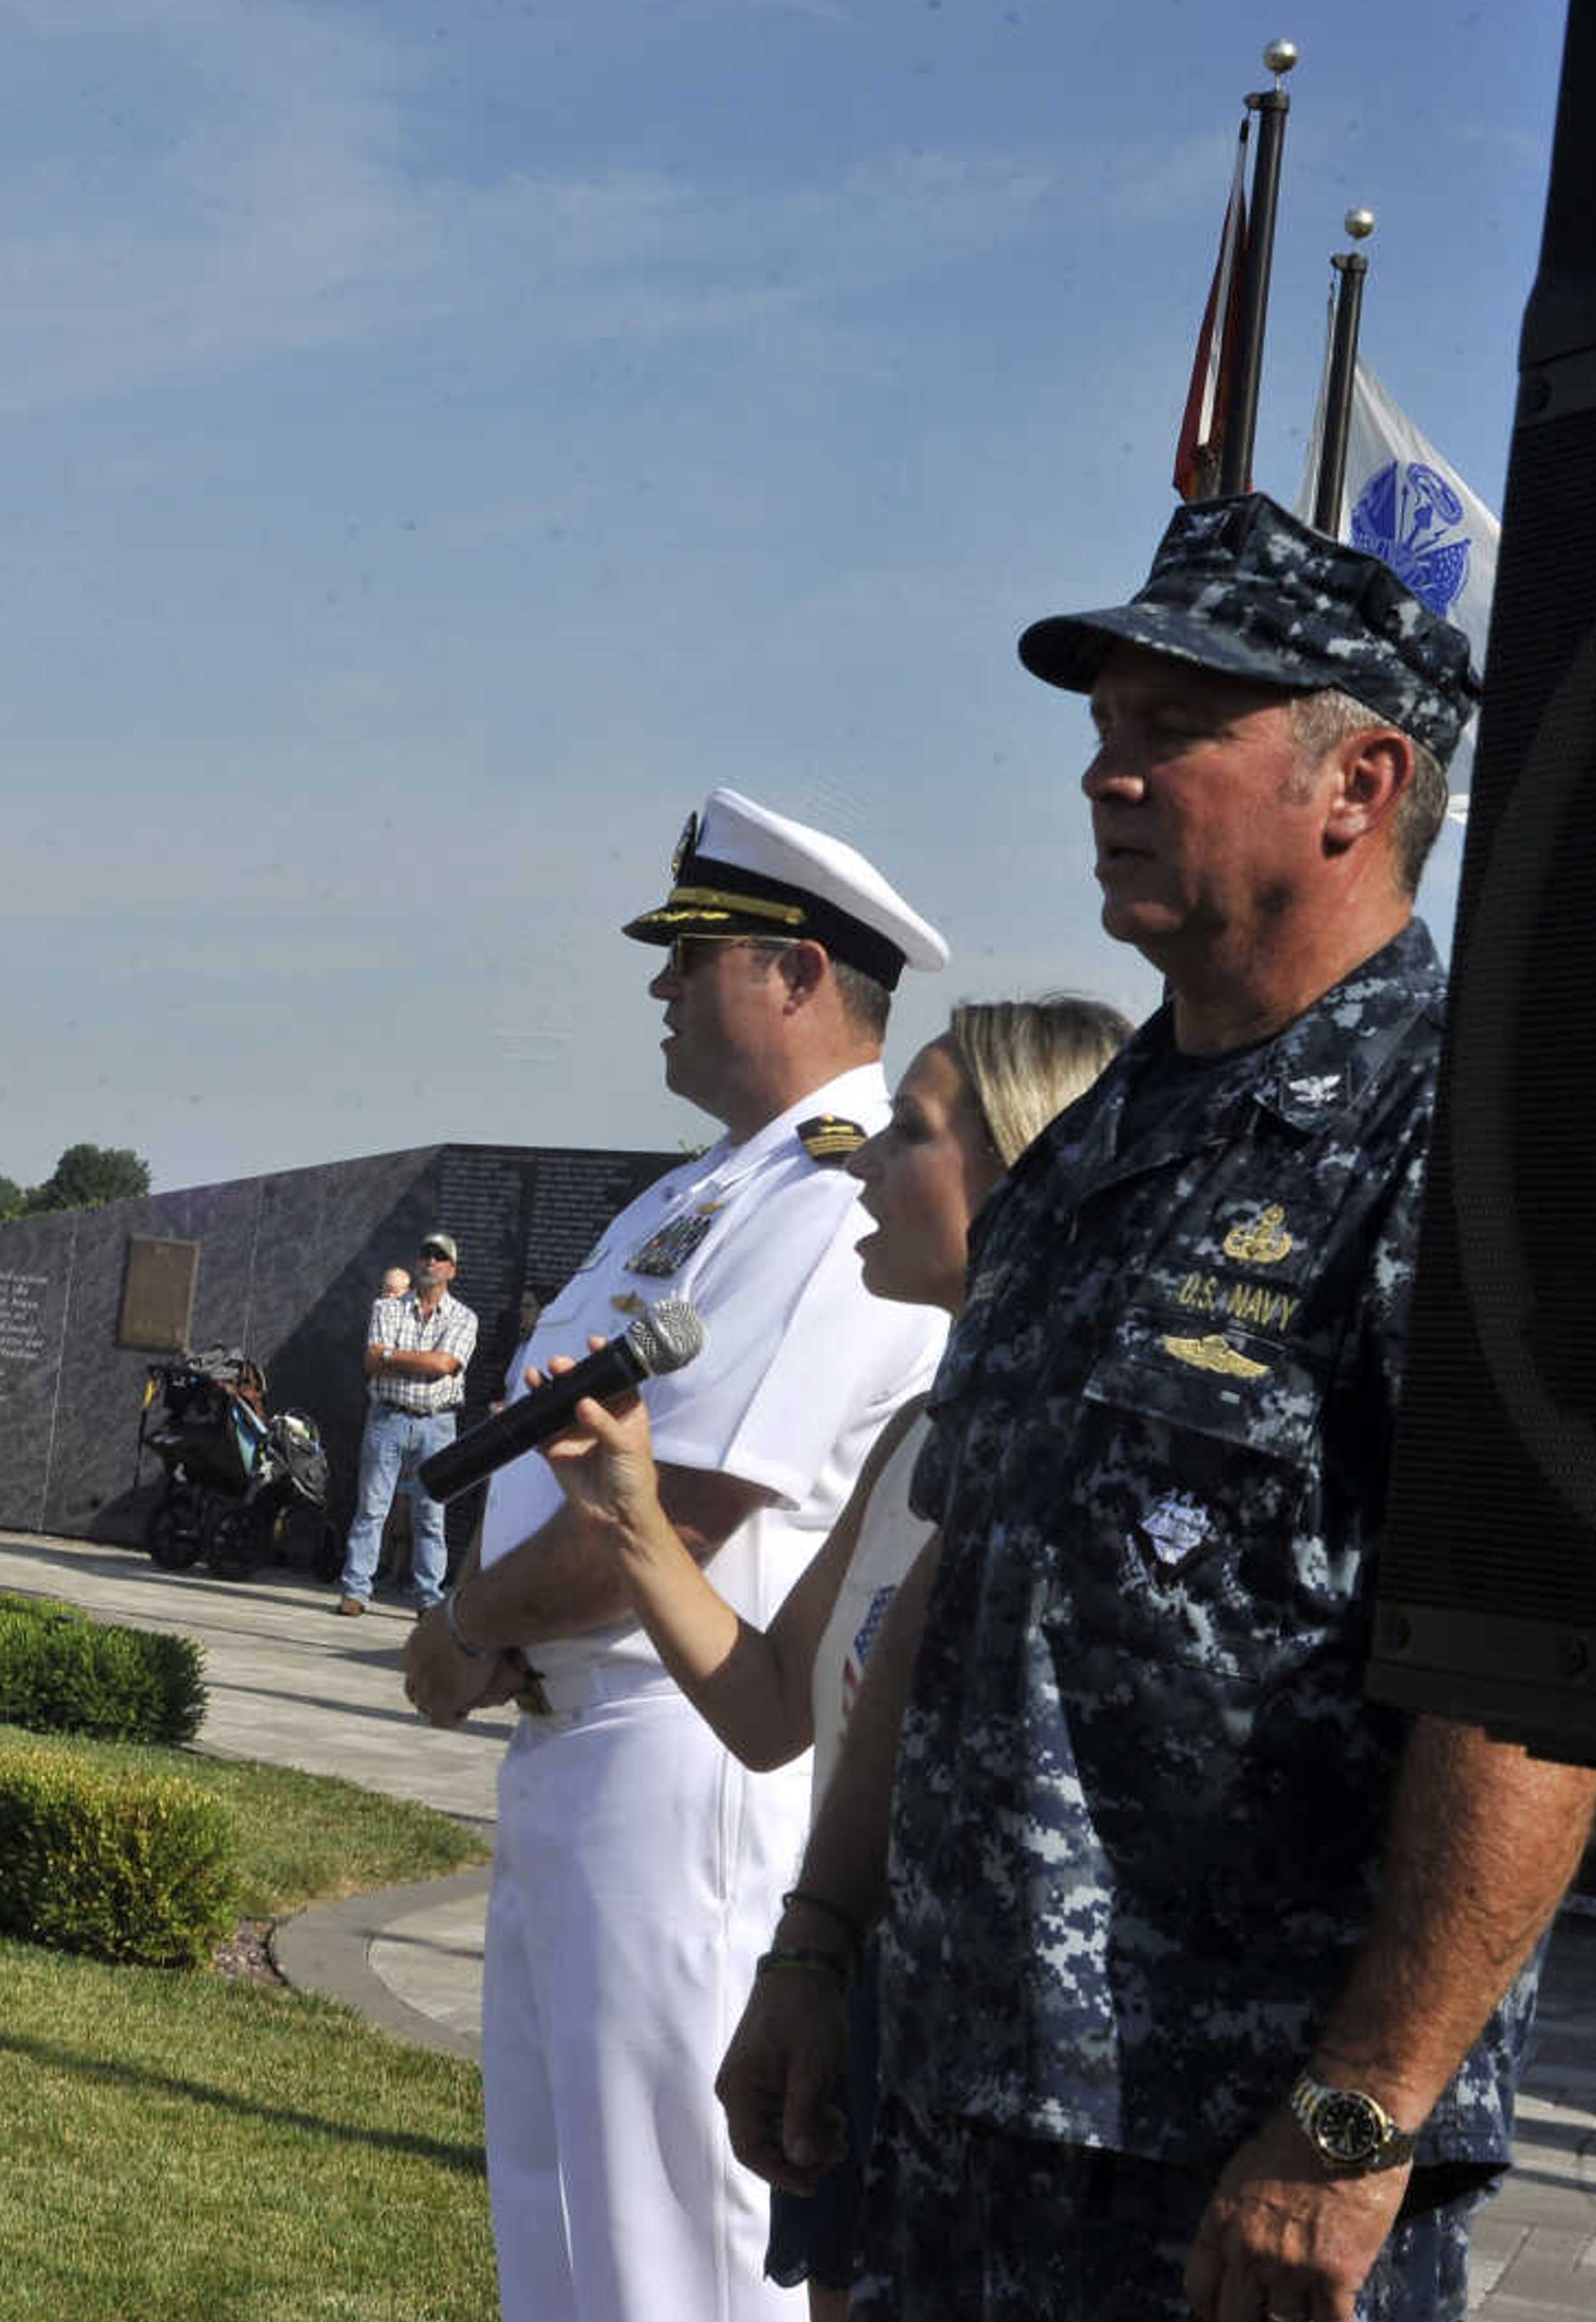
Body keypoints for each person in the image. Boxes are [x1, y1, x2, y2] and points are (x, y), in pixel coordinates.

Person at [720, 495, 1596, 2322]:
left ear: (1359, 783)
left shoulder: (1475, 1154)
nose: (1102, 780)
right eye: (1100, 733)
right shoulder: (1091, 1149)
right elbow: (957, 1589)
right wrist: (822, 1940)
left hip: (1234, 2174)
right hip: (958, 2118)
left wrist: (1356, 2121)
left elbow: (1531, 1692)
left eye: (1168, 731)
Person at [399, 789, 951, 2322]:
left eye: (691, 957)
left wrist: (464, 1619)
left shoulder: (834, 1192)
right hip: (578, 1744)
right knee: (563, 2218)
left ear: (797, 974)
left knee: (683, 2245)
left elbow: (691, 1503)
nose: (659, 987)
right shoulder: (696, 1191)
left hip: (688, 1752)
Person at [532, 993, 1128, 2320]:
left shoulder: (1093, 1453)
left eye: (906, 1135)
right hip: (867, 2021)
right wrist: (632, 1514)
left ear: (1026, 1170)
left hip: (1022, 2062)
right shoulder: (923, 1430)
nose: (860, 1165)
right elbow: (766, 1710)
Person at [335, 1230, 477, 1616]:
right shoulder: (387, 1309)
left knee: (431, 1514)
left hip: (437, 1424)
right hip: (389, 1418)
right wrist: (420, 1359)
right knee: (372, 1508)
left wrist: (393, 1356)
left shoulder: (464, 1317)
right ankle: (355, 1590)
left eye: (439, 1257)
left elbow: (444, 1366)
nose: (431, 1261)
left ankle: (428, 1598)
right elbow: (371, 1360)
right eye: (426, 1254)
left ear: (452, 1270)